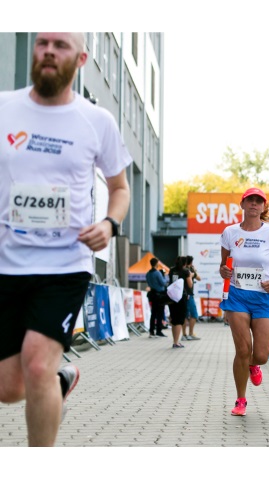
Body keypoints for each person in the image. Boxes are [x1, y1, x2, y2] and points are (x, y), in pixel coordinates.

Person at [0, 32, 131, 446]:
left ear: (80, 59)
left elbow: (121, 187)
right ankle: (61, 379)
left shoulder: (97, 121)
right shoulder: (5, 109)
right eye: (42, 44)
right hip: (6, 262)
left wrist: (109, 224)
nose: (48, 52)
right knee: (8, 388)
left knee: (36, 366)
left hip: (65, 264)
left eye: (60, 45)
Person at [219, 188, 269, 416]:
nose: (254, 204)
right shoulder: (229, 232)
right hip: (237, 296)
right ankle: (240, 400)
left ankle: (253, 365)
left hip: (263, 297)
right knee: (242, 349)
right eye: (250, 200)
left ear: (263, 207)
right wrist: (224, 271)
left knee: (261, 355)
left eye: (259, 201)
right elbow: (223, 265)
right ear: (243, 204)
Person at [168, 256, 192, 349]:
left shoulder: (171, 270)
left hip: (172, 297)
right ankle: (176, 342)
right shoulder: (186, 271)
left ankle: (175, 340)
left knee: (174, 319)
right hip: (181, 297)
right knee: (179, 320)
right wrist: (190, 276)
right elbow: (190, 284)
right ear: (185, 263)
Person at [146, 258, 168, 338]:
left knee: (153, 313)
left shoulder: (148, 273)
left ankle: (151, 331)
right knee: (160, 313)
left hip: (152, 294)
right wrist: (164, 277)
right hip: (159, 295)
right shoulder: (158, 273)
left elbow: (148, 282)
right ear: (156, 264)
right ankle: (159, 330)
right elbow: (163, 283)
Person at [183, 255, 201, 341]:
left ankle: (184, 334)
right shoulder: (189, 271)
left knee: (185, 315)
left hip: (183, 295)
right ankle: (190, 333)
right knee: (194, 314)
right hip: (189, 295)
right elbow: (199, 278)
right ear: (191, 262)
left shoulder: (182, 270)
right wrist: (194, 271)